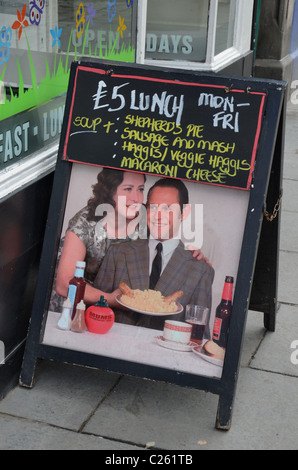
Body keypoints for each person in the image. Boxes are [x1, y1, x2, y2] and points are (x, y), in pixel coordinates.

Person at [94, 178, 215, 332]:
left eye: (168, 208)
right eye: (153, 207)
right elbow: (95, 309)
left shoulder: (200, 269)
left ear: (184, 212)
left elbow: (199, 333)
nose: (158, 215)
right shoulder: (118, 253)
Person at [50, 168, 147, 311]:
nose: (136, 198)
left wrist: (192, 250)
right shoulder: (84, 223)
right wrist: (109, 299)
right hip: (74, 306)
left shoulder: (144, 216)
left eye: (140, 189)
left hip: (119, 311)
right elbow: (64, 285)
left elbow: (169, 236)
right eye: (128, 189)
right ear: (109, 191)